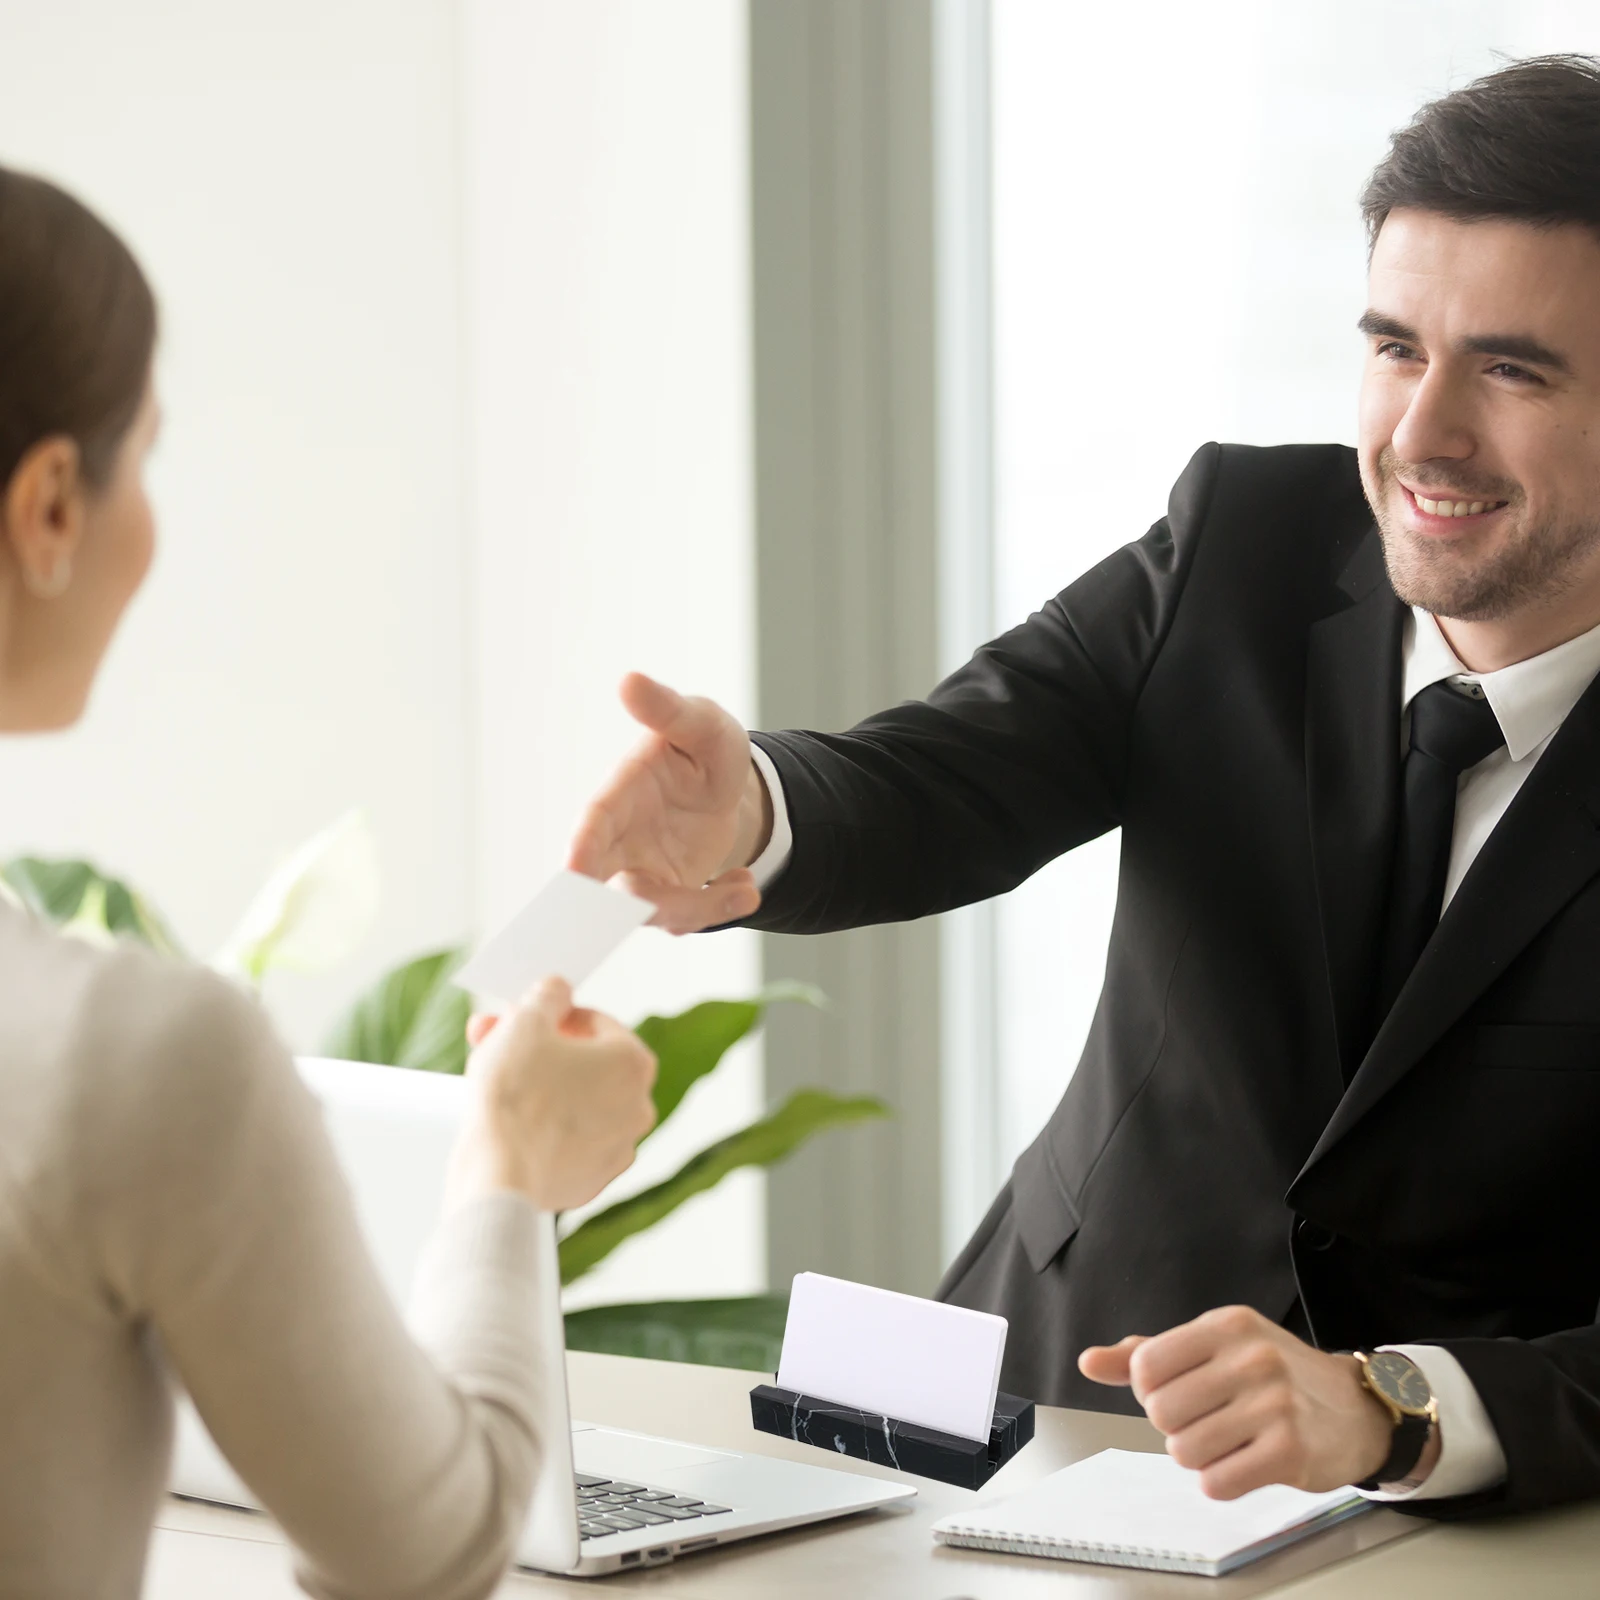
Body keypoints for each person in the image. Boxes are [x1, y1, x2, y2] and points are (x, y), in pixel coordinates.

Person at [571, 54, 1600, 1516]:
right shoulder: (1246, 540)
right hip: (1032, 1403)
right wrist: (753, 807)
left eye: (1509, 368)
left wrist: (1396, 1407)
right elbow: (957, 767)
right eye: (1392, 347)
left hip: (1466, 1516)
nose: (1422, 434)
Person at [0, 167, 659, 1600]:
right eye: (147, 459)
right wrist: (506, 1177)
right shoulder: (130, 1057)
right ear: (49, 506)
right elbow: (421, 1554)